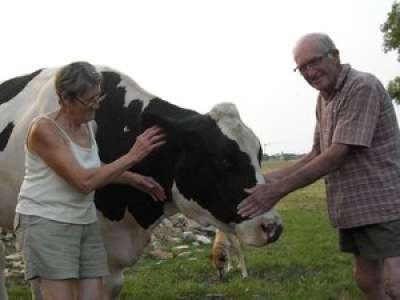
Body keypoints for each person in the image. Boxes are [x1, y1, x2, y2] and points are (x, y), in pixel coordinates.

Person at [238, 33, 400, 299]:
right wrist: (265, 179)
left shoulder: (362, 86)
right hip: (355, 209)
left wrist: (277, 191)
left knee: (395, 284)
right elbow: (316, 152)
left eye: (314, 62)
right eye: (302, 68)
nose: (310, 72)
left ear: (335, 55)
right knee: (367, 281)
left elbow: (337, 153)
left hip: (384, 205)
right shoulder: (325, 98)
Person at [15, 61, 166, 300]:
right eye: (90, 100)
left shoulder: (88, 126)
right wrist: (133, 156)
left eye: (99, 96)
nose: (97, 105)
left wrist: (131, 178)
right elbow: (83, 181)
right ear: (65, 98)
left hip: (84, 223)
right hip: (47, 224)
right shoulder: (44, 130)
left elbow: (91, 168)